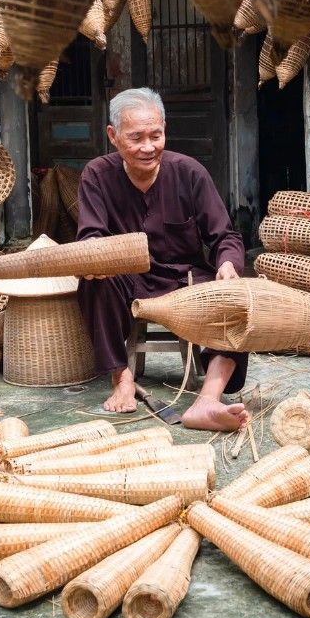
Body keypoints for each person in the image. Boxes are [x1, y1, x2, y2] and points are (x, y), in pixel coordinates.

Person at [76, 87, 250, 432]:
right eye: (136, 137)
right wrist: (94, 260)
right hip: (126, 278)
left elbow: (225, 236)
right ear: (113, 136)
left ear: (165, 130)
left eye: (156, 135)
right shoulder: (96, 174)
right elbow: (90, 238)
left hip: (186, 279)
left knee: (238, 296)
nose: (148, 146)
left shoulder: (189, 172)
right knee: (94, 280)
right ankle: (122, 378)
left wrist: (228, 264)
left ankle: (207, 400)